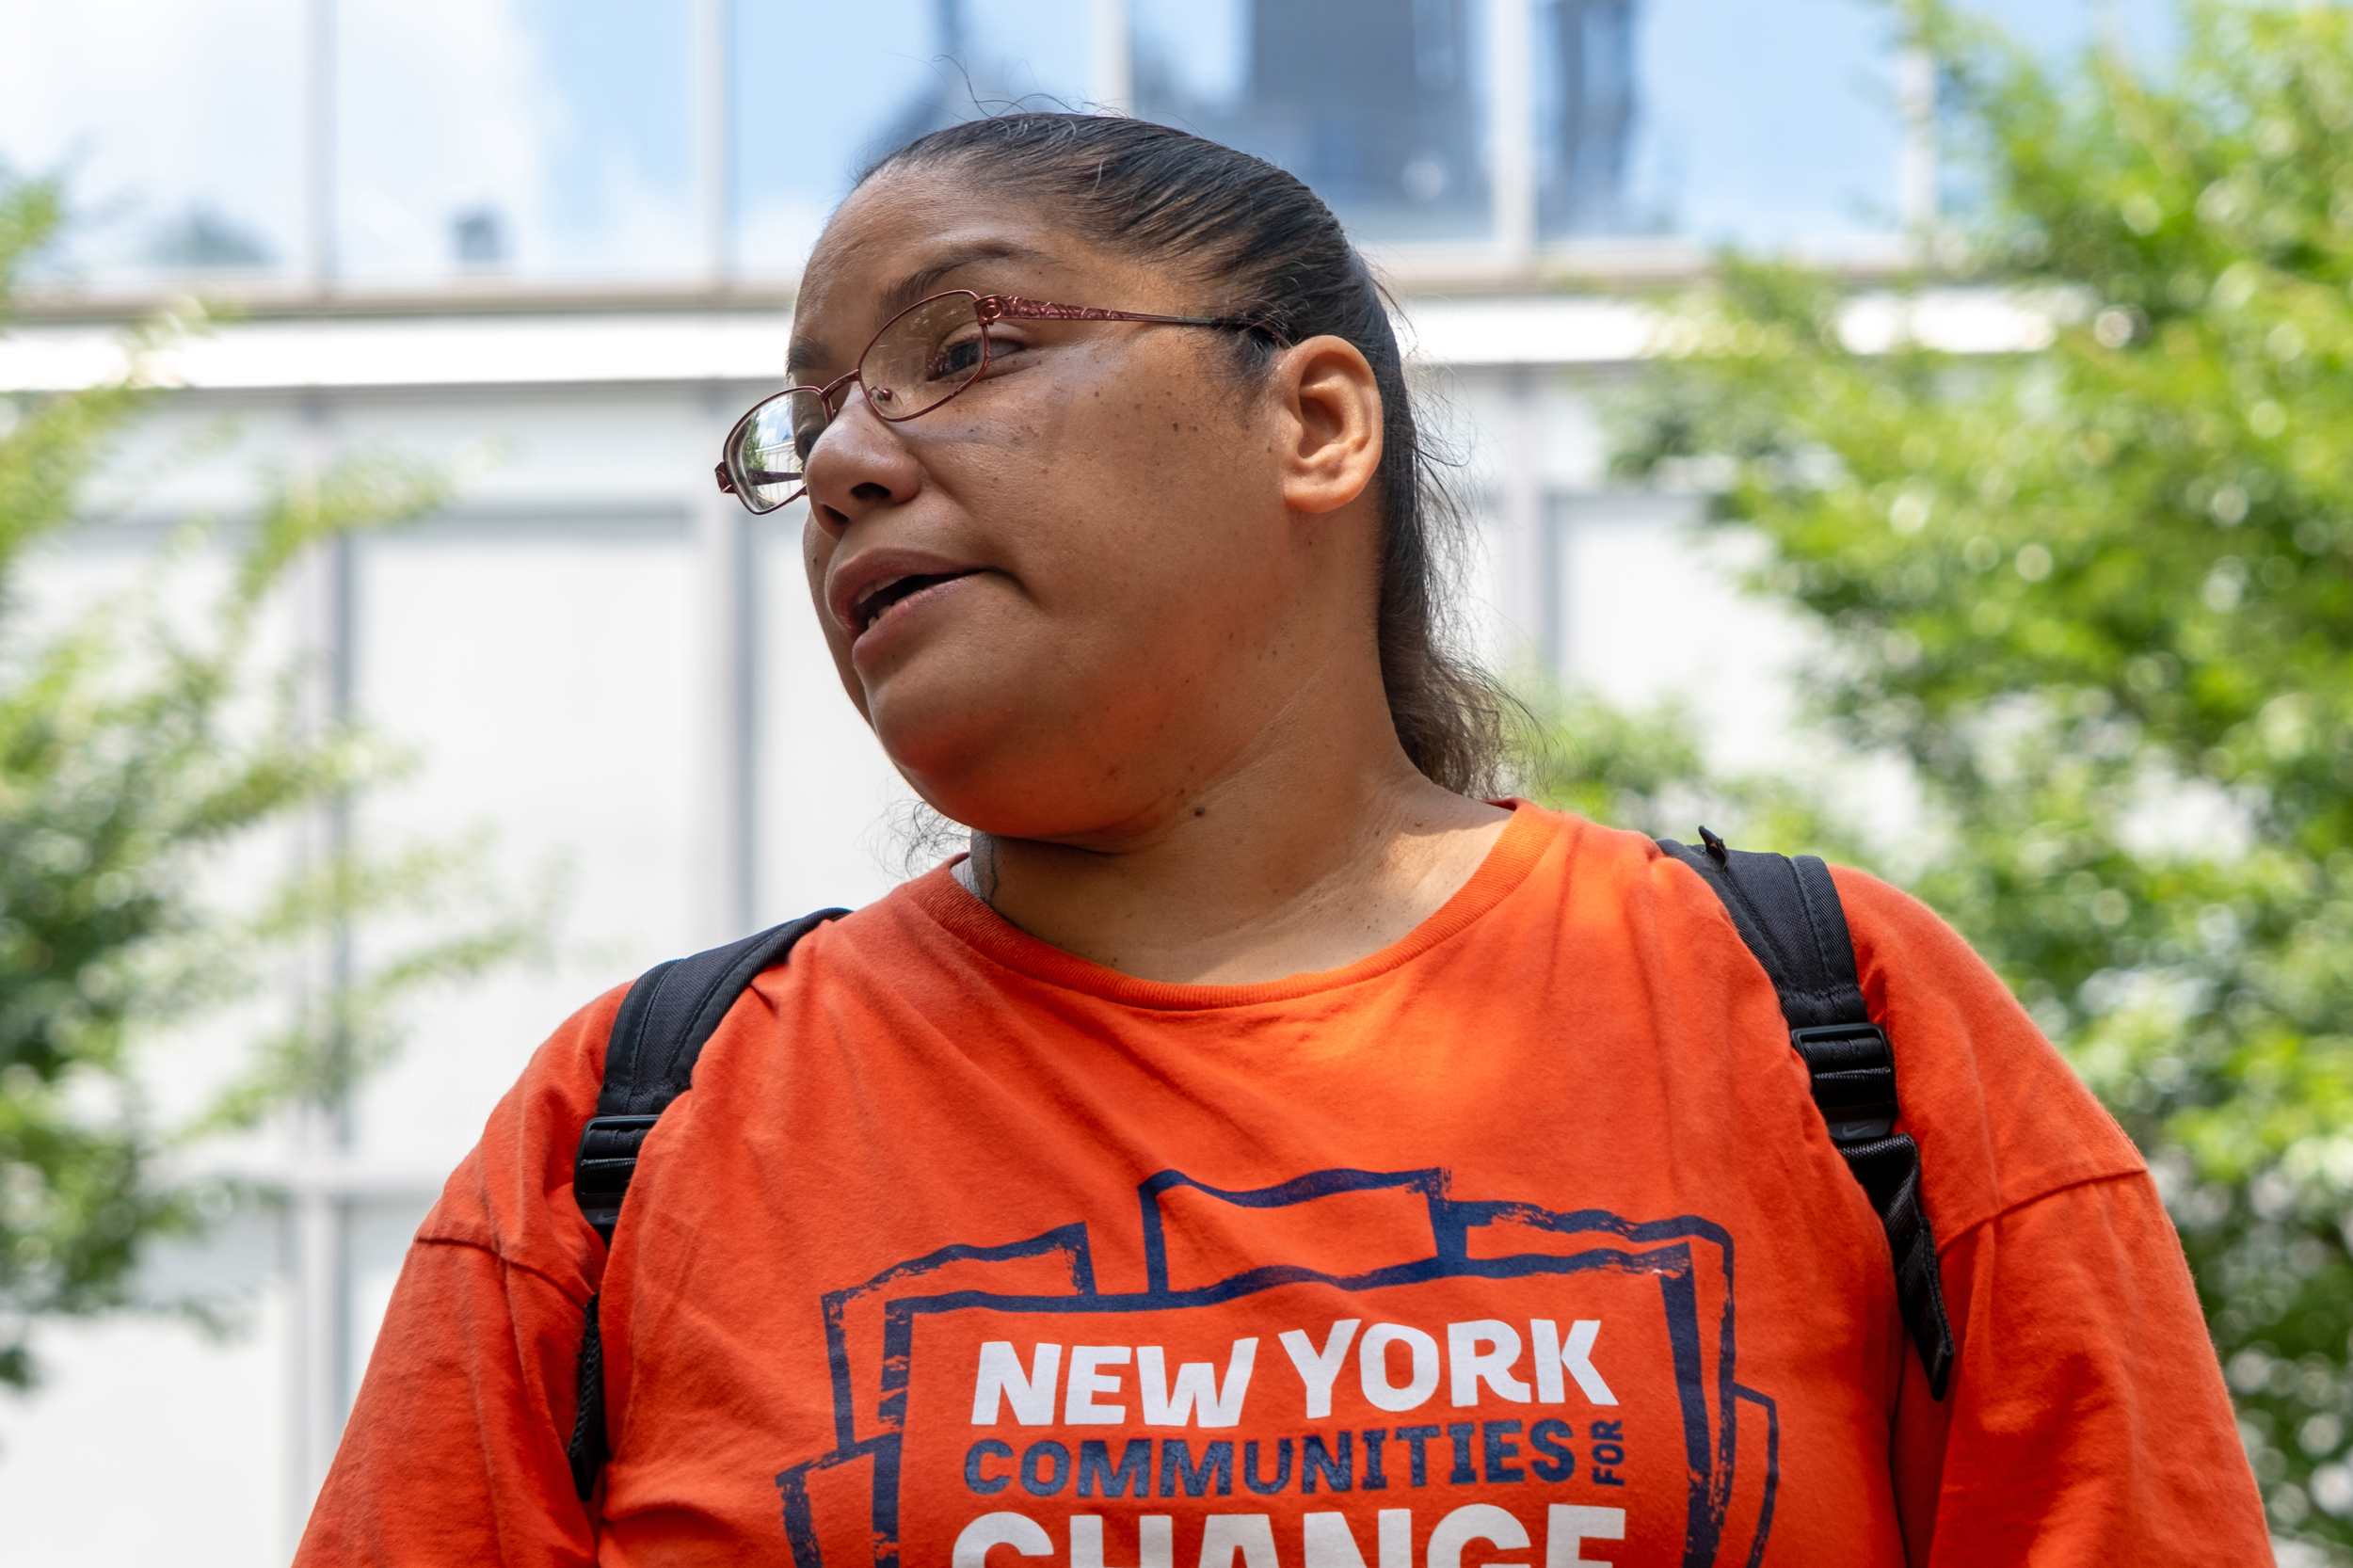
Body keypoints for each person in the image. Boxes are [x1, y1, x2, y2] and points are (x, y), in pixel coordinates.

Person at [296, 114, 2269, 1565]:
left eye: (967, 344)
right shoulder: (633, 1127)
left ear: (1314, 422)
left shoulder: (1845, 1029)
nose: (841, 461)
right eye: (801, 423)